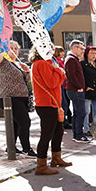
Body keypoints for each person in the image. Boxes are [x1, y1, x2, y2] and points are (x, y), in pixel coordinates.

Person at [29, 46, 69, 175]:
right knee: (47, 134)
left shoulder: (42, 63)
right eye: (49, 49)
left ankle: (56, 158)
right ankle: (41, 164)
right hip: (47, 104)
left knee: (58, 131)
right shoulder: (42, 63)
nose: (51, 52)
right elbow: (52, 83)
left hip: (51, 103)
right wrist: (60, 72)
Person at [0, 42, 34, 156]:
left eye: (15, 48)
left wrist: (27, 71)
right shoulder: (2, 62)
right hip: (9, 97)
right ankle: (26, 149)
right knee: (25, 122)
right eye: (10, 48)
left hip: (22, 97)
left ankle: (11, 147)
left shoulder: (18, 64)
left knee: (16, 123)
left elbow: (28, 81)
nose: (13, 50)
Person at [64, 40, 87, 144]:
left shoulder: (73, 59)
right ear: (74, 48)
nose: (83, 51)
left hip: (76, 90)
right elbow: (71, 76)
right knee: (81, 112)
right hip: (75, 90)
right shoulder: (71, 60)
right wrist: (79, 87)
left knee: (77, 113)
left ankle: (77, 134)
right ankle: (79, 135)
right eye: (81, 48)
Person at [82, 43, 96, 135]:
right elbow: (80, 77)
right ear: (87, 54)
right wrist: (85, 87)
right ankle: (86, 129)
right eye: (91, 53)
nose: (94, 55)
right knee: (86, 112)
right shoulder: (83, 64)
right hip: (87, 91)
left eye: (95, 53)